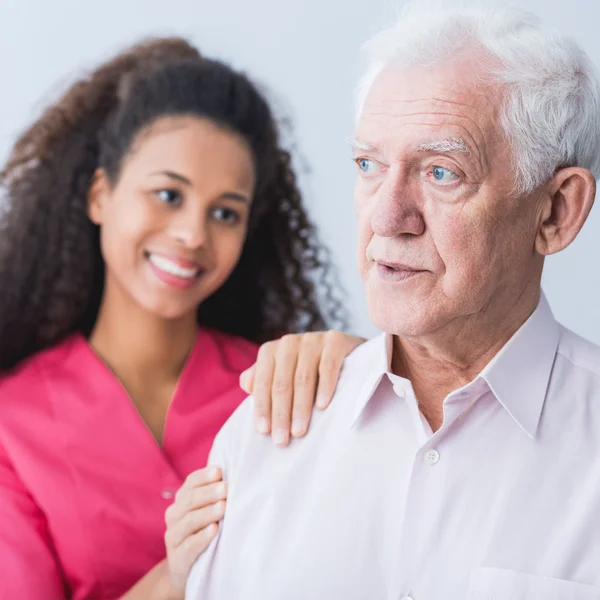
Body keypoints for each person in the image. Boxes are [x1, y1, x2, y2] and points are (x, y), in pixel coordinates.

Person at [184, 3, 600, 599]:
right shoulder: (264, 433)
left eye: (441, 172)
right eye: (368, 165)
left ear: (557, 211)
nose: (386, 216)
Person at [0, 38, 365, 599]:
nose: (193, 234)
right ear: (102, 195)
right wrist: (175, 575)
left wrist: (366, 373)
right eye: (168, 194)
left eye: (224, 212)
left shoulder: (278, 390)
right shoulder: (13, 425)